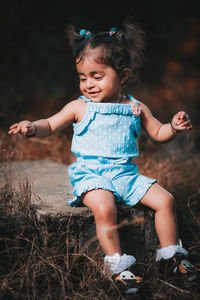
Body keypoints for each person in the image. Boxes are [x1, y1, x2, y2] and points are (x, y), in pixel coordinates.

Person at [8, 19, 199, 295]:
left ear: (122, 75)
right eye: (83, 78)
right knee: (105, 207)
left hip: (126, 175)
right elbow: (50, 124)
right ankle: (119, 268)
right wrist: (32, 126)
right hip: (91, 175)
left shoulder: (135, 107)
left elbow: (158, 132)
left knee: (165, 200)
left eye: (97, 76)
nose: (88, 85)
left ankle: (172, 258)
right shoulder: (79, 107)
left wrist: (173, 127)